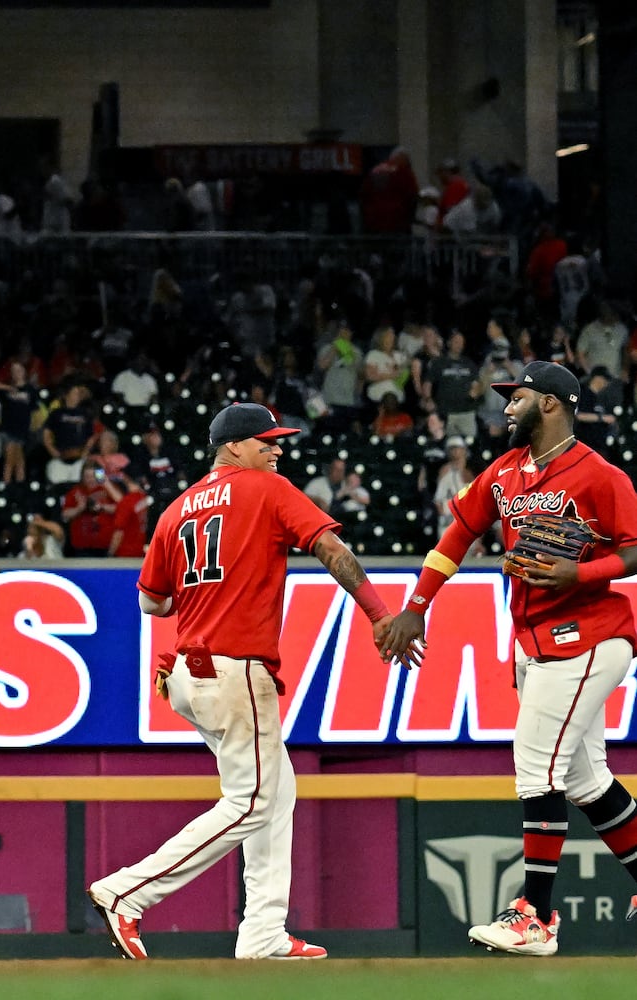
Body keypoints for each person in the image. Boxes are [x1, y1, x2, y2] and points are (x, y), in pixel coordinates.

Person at [88, 402, 392, 961]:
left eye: (278, 441)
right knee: (252, 801)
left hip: (186, 672)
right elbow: (330, 547)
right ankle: (127, 892)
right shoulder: (266, 490)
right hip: (233, 669)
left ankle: (262, 933)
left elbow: (150, 602)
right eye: (265, 441)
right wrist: (378, 614)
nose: (277, 449)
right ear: (232, 447)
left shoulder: (176, 509)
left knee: (277, 789)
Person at [379, 361, 637, 956]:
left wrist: (582, 570)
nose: (506, 407)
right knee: (584, 779)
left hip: (590, 636)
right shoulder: (507, 471)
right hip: (535, 640)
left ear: (549, 404)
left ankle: (536, 918)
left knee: (535, 768)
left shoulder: (600, 476)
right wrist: (417, 605)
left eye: (515, 397)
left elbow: (634, 549)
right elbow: (458, 535)